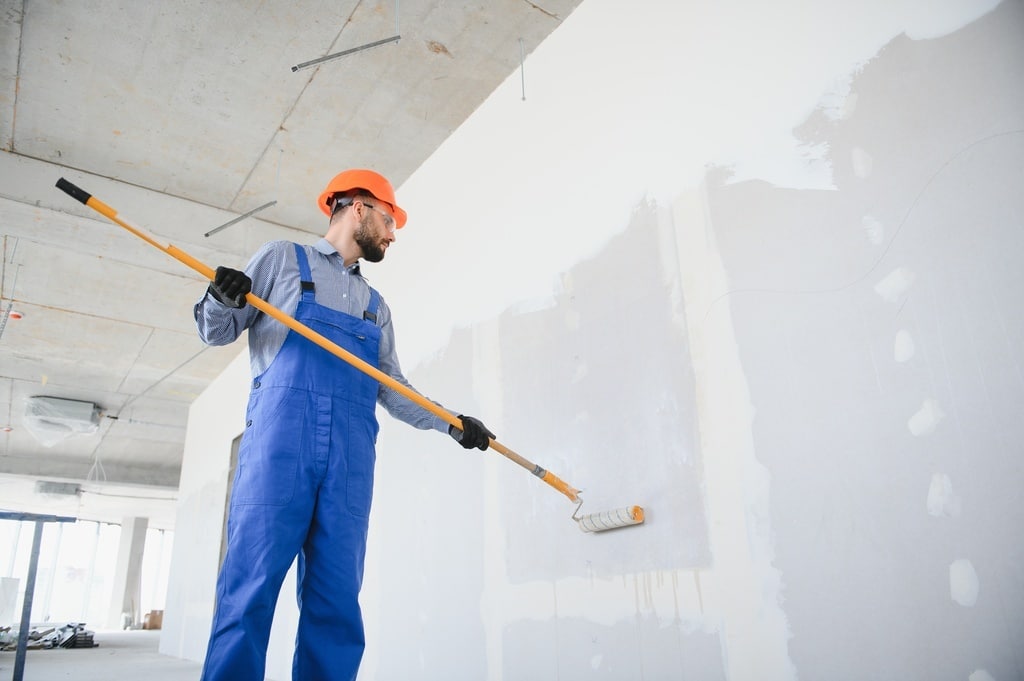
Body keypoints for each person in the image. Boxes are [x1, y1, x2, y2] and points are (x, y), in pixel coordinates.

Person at [194, 168, 494, 681]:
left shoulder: (375, 306)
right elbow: (216, 332)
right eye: (389, 218)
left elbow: (392, 388)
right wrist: (222, 297)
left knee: (336, 604)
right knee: (248, 593)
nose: (393, 233)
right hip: (279, 453)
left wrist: (452, 423)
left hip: (350, 464)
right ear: (358, 206)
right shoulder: (281, 260)